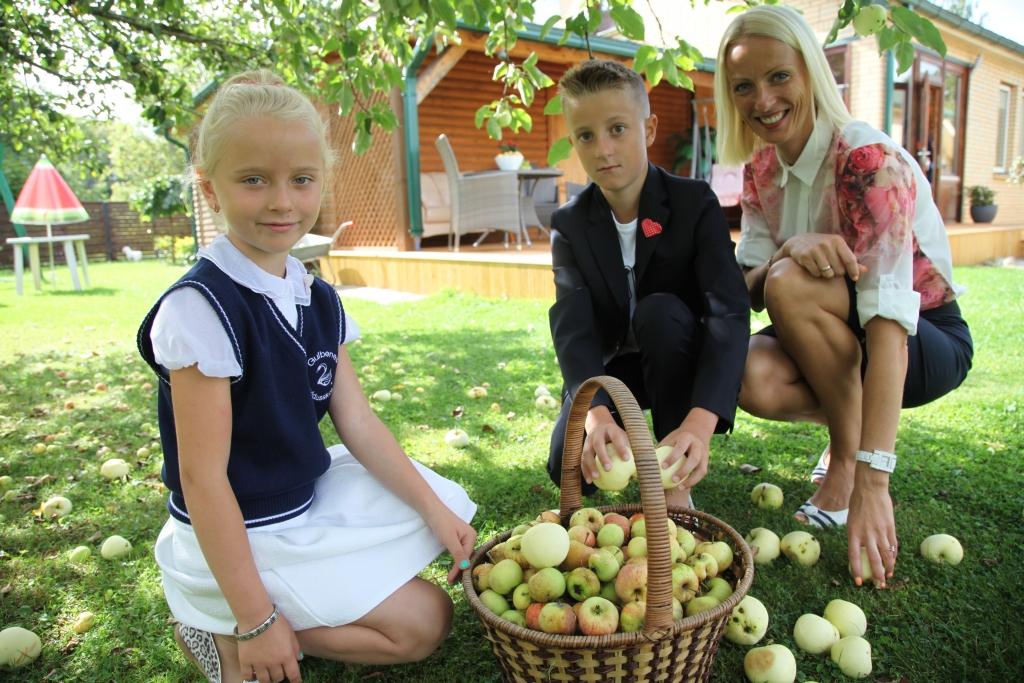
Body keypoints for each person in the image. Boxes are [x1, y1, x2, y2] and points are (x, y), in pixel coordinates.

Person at [137, 70, 477, 683]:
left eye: (301, 179)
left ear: (321, 180)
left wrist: (434, 511)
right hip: (239, 527)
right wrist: (257, 618)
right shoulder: (201, 309)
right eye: (252, 180)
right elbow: (203, 479)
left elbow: (359, 423)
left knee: (429, 622)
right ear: (210, 190)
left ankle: (257, 622)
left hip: (302, 502)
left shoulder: (317, 298)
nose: (281, 201)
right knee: (288, 643)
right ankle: (224, 622)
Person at [714, 6, 972, 587]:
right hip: (825, 327)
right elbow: (748, 287)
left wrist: (872, 481)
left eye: (780, 76)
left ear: (810, 72)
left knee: (792, 284)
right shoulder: (760, 167)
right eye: (744, 86)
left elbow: (887, 325)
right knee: (747, 373)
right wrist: (788, 250)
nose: (763, 100)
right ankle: (846, 445)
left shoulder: (867, 162)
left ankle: (846, 467)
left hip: (924, 339)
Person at [546, 59, 751, 509]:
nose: (603, 149)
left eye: (617, 129)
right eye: (586, 135)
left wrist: (700, 422)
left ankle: (677, 486)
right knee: (570, 466)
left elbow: (729, 311)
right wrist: (595, 415)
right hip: (615, 368)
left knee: (659, 311)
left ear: (649, 128)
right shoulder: (569, 224)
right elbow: (573, 327)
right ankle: (612, 432)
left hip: (677, 349)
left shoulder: (693, 202)